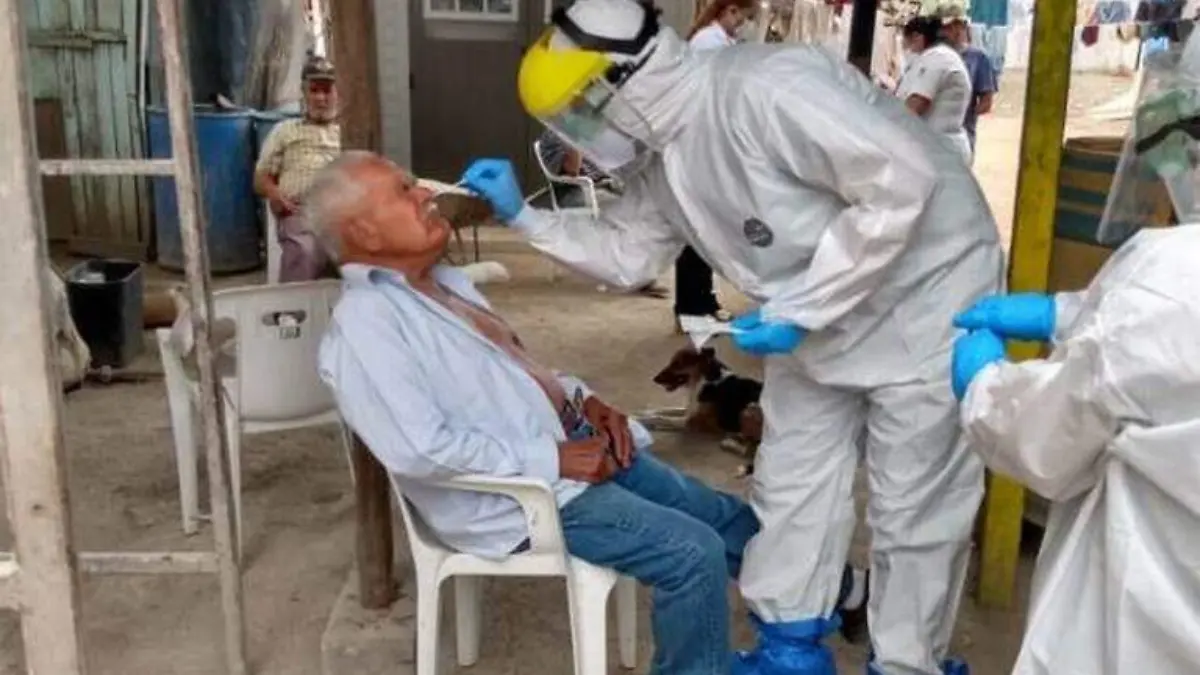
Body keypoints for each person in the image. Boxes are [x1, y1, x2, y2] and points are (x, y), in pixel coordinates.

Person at [459, 1, 1004, 673]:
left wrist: (805, 305)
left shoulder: (764, 91)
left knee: (914, 503)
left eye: (581, 111)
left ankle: (906, 663)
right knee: (791, 480)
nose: (583, 133)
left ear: (624, 79)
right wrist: (526, 217)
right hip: (812, 316)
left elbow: (900, 181)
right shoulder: (663, 153)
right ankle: (788, 647)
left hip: (928, 296)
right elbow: (628, 253)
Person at [309, 152, 870, 675]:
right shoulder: (366, 326)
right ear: (365, 232)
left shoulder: (442, 284)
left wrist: (585, 402)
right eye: (404, 191)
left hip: (571, 447)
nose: (426, 195)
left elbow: (517, 374)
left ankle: (841, 591)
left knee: (720, 515)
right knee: (691, 553)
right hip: (523, 495)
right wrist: (554, 458)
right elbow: (420, 450)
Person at [950, 227, 1200, 675]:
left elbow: (1045, 438)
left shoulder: (1175, 272)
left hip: (1144, 625)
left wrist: (983, 386)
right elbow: (1140, 342)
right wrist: (1066, 315)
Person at [253, 55, 341, 282]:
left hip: (342, 213)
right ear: (304, 94)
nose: (321, 98)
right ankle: (294, 305)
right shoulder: (284, 130)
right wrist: (275, 194)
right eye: (314, 90)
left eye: (327, 90)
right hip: (299, 212)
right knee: (306, 252)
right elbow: (260, 179)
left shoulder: (347, 132)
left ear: (337, 94)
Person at [897, 15, 973, 162]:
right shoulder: (930, 58)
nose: (906, 50)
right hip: (932, 149)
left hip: (939, 151)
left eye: (906, 43)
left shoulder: (938, 59)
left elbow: (915, 106)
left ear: (917, 37)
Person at [937, 5, 998, 158]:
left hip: (962, 135)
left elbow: (986, 102)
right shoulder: (933, 56)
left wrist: (961, 115)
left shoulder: (978, 58)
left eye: (958, 26)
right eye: (948, 27)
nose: (954, 31)